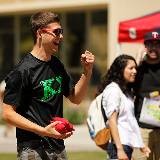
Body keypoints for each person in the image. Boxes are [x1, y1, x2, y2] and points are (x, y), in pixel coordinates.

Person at [2, 11, 94, 160]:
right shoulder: (22, 71)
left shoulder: (56, 64)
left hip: (58, 147)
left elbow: (75, 98)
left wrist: (87, 72)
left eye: (62, 32)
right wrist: (43, 131)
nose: (61, 36)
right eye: (57, 32)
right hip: (32, 150)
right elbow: (8, 113)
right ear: (40, 33)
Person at [97, 54, 150, 160]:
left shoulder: (125, 92)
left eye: (135, 68)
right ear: (121, 70)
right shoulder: (113, 90)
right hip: (119, 147)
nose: (135, 71)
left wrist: (141, 145)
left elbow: (130, 120)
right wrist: (120, 149)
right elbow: (112, 121)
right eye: (131, 68)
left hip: (126, 146)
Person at [133, 30, 160, 160]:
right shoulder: (138, 69)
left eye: (157, 44)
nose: (153, 48)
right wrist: (137, 62)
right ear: (145, 47)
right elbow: (126, 86)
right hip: (141, 128)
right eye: (150, 44)